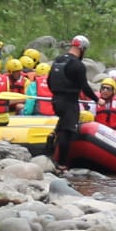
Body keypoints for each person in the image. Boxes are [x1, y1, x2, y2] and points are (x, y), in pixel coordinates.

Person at [47, 35, 99, 171]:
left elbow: (49, 81)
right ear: (82, 49)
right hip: (69, 102)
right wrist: (97, 99)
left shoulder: (58, 60)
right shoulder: (77, 65)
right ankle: (62, 164)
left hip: (56, 100)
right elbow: (85, 87)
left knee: (63, 124)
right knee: (67, 131)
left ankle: (53, 134)